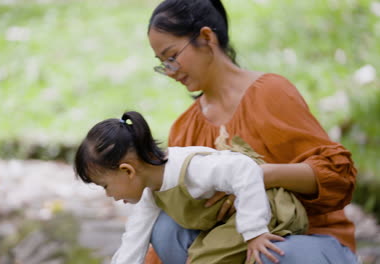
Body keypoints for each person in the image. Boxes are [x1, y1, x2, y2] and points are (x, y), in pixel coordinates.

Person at [145, 0, 358, 263]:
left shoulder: (270, 93)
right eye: (162, 63)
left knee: (268, 254)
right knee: (166, 228)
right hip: (228, 247)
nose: (169, 72)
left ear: (206, 37)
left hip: (304, 239)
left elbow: (339, 176)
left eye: (172, 57)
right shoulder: (186, 128)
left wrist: (259, 176)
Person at [74, 111, 308, 264]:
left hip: (264, 208)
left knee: (204, 260)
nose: (109, 195)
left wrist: (255, 231)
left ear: (128, 171)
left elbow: (245, 169)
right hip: (228, 221)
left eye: (106, 186)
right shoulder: (151, 191)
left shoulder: (191, 168)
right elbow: (134, 240)